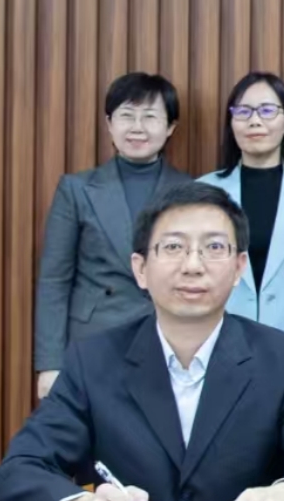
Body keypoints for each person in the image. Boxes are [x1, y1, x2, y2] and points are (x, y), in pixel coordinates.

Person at [0, 183, 284, 501]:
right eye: (173, 247)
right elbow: (17, 472)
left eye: (214, 247)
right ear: (140, 269)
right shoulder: (94, 361)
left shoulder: (283, 359)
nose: (193, 265)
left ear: (238, 268)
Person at [33, 73, 191, 399]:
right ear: (109, 123)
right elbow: (54, 280)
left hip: (170, 340)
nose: (137, 127)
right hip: (95, 339)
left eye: (150, 117)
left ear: (170, 127)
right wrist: (50, 364)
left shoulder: (191, 191)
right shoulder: (77, 189)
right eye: (127, 116)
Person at [199, 71, 284, 338]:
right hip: (221, 338)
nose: (255, 121)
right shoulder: (204, 190)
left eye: (267, 111)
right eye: (243, 112)